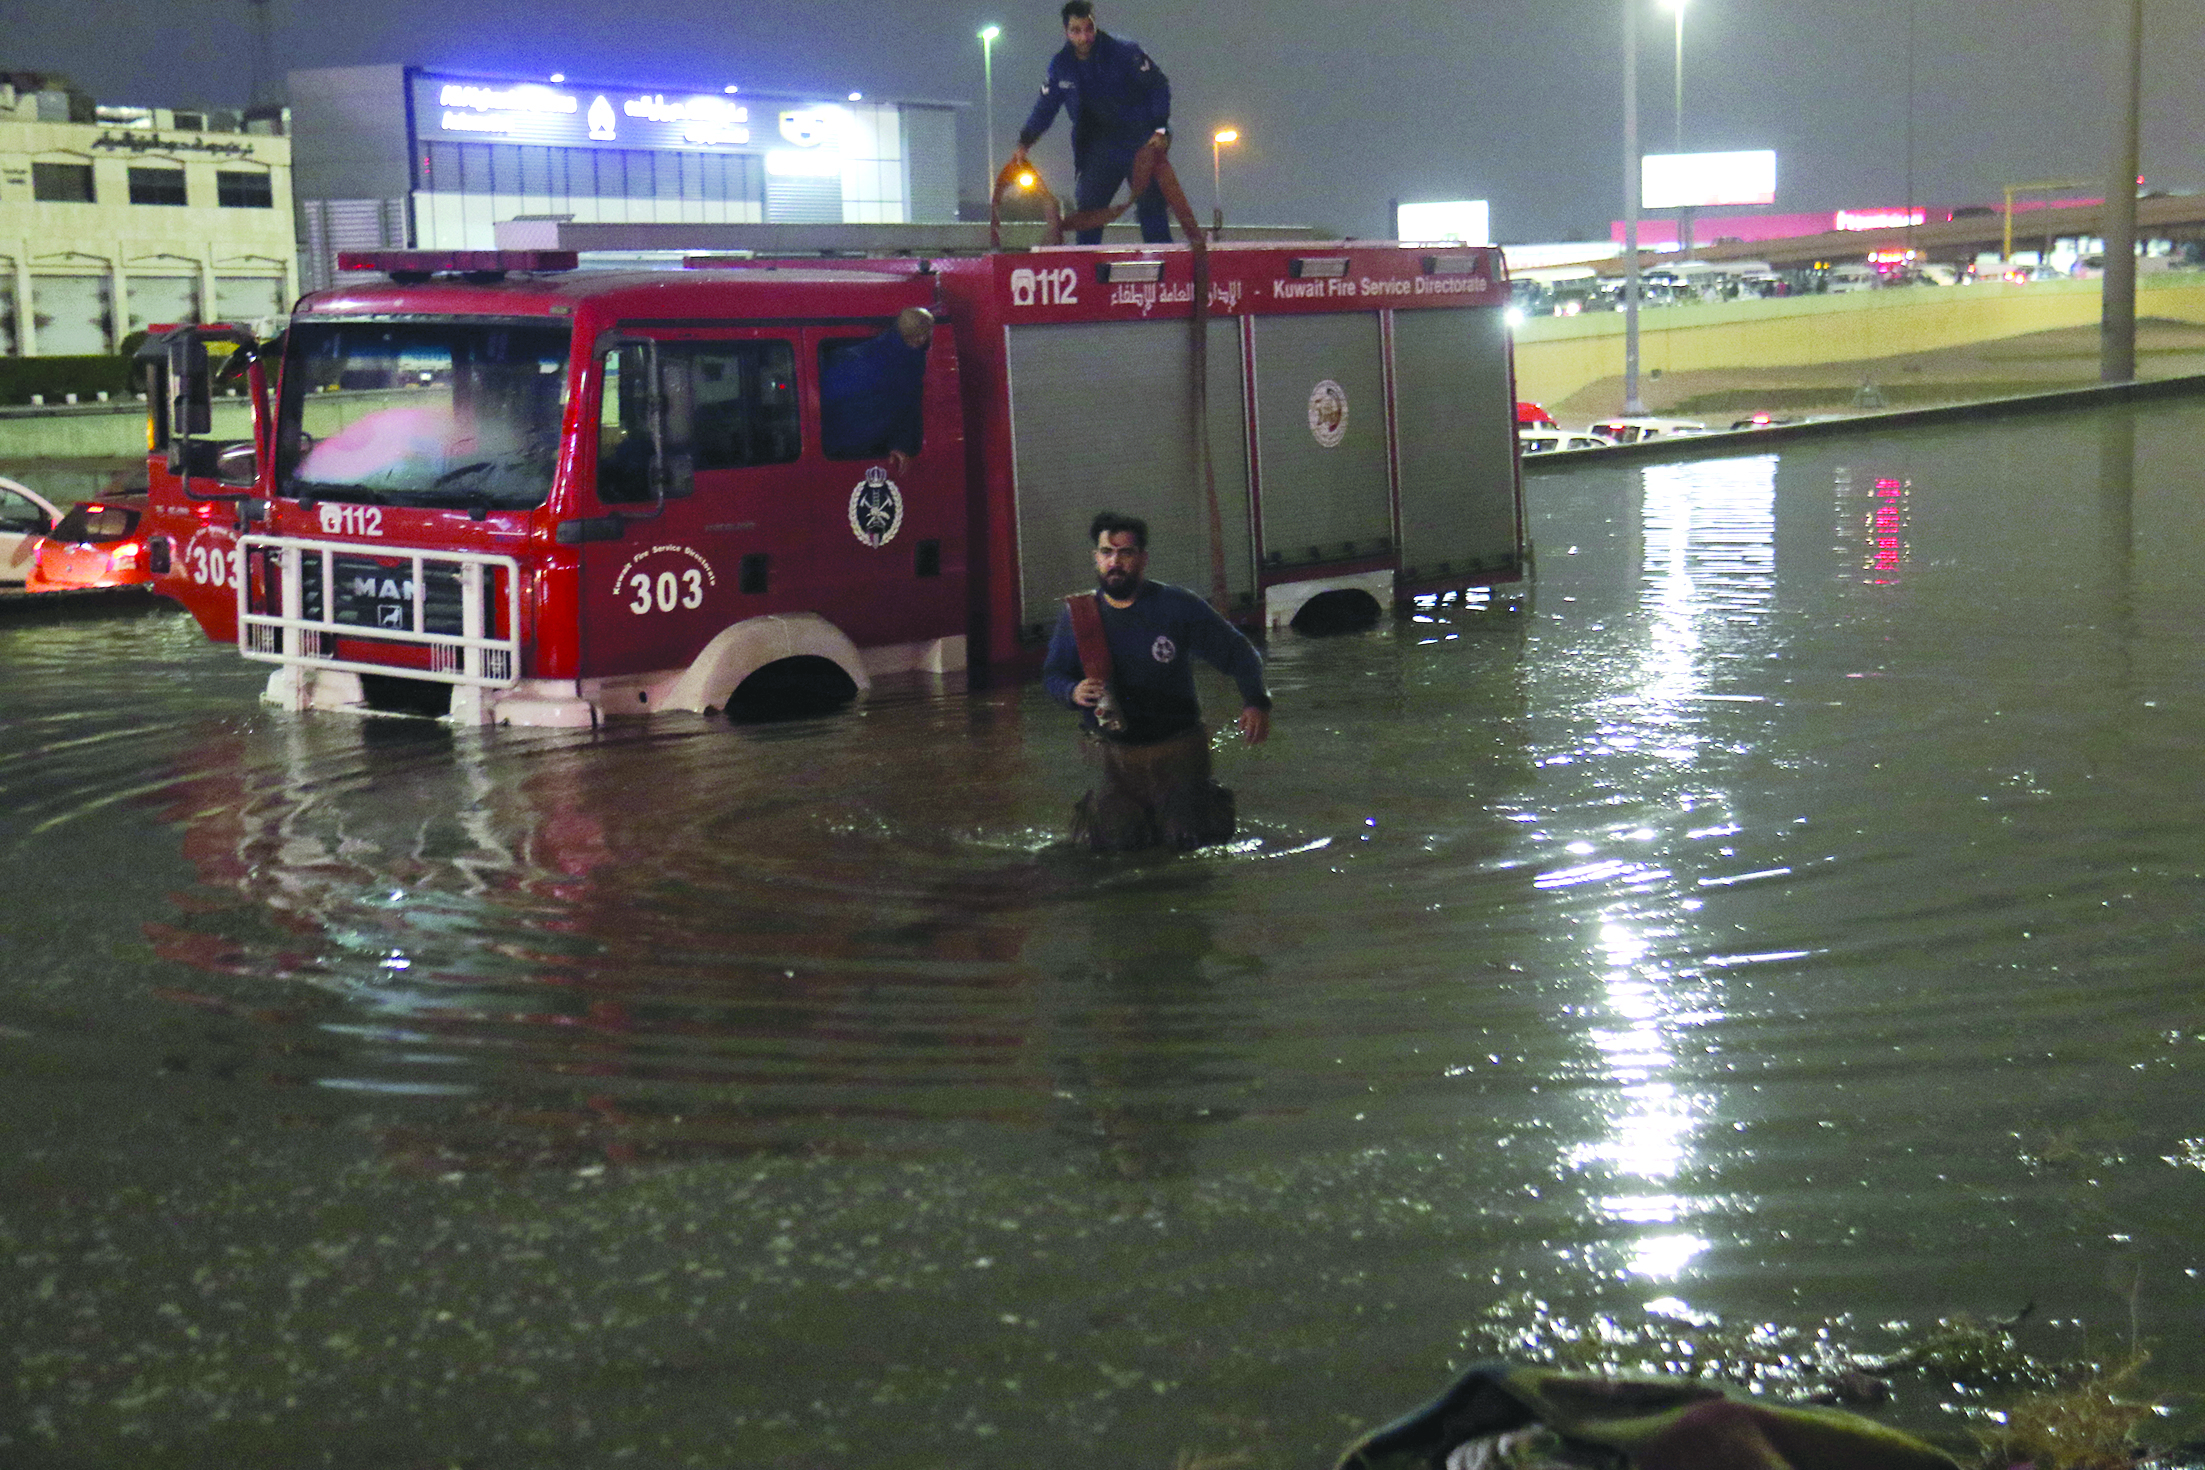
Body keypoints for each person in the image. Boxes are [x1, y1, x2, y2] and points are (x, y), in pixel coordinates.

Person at [1043, 512, 1271, 851]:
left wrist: (1256, 701)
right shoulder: (1078, 616)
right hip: (1113, 757)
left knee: (1189, 841)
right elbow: (1053, 676)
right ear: (1096, 558)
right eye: (1107, 552)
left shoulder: (1176, 607)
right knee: (1115, 846)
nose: (1115, 562)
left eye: (1126, 553)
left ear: (1143, 559)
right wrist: (1071, 691)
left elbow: (1238, 651)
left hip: (1178, 751)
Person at [1010, 0, 1174, 245]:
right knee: (1088, 211)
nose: (1084, 37)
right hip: (1098, 148)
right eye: (1076, 31)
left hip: (1139, 141)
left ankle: (1166, 267)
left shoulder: (1124, 52)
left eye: (1089, 29)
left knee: (1151, 204)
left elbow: (1158, 85)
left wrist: (1160, 129)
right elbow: (1045, 107)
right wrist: (1025, 142)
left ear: (1094, 25)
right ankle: (1086, 270)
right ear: (1066, 32)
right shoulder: (1061, 66)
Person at [817, 307, 932, 477]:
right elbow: (905, 409)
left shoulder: (870, 351)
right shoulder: (905, 366)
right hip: (857, 446)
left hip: (837, 441)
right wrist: (903, 444)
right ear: (920, 337)